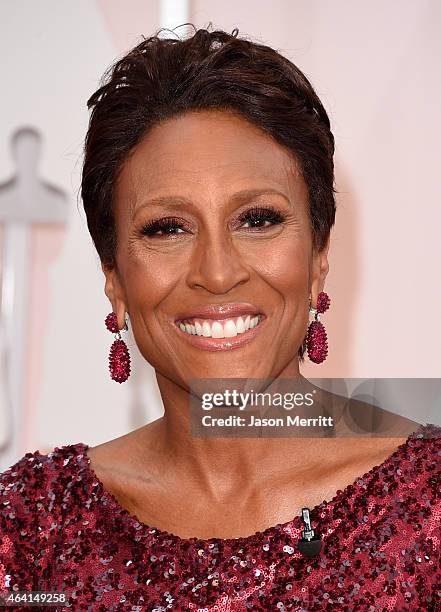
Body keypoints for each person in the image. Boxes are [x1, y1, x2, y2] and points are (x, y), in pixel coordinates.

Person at [0, 25, 439, 611]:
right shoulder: (32, 531)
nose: (217, 270)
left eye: (257, 219)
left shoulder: (429, 505)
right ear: (114, 278)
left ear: (318, 258)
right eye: (167, 228)